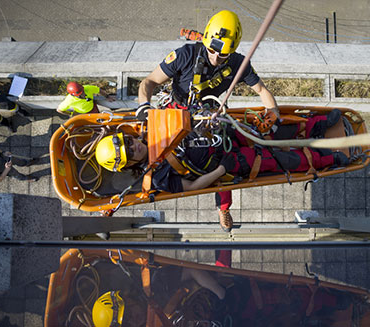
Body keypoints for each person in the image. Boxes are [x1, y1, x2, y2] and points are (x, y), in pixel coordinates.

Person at [137, 10, 280, 231]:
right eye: (212, 51)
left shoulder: (238, 64)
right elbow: (149, 81)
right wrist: (144, 106)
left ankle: (223, 207)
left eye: (222, 55)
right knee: (161, 152)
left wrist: (274, 111)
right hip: (175, 111)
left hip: (208, 116)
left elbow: (262, 90)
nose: (215, 58)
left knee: (218, 157)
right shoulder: (185, 55)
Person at [94, 111, 348, 232]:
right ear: (128, 165)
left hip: (224, 132)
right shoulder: (157, 177)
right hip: (227, 160)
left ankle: (314, 125)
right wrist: (222, 169)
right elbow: (193, 187)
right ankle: (326, 159)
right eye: (130, 152)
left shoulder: (152, 128)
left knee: (264, 127)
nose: (135, 145)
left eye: (128, 142)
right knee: (272, 160)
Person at [92, 267, 226, 327]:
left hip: (220, 305)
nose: (133, 320)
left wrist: (221, 294)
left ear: (128, 299)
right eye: (127, 323)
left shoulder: (156, 286)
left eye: (128, 314)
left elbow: (191, 270)